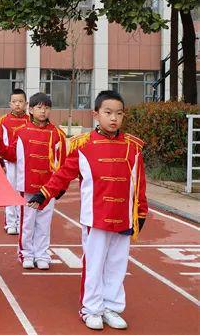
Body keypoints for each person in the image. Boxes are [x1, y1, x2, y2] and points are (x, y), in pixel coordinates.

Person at [27, 90, 148, 331]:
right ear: (96, 115)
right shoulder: (84, 146)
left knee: (117, 264)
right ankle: (91, 308)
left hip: (123, 218)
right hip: (96, 217)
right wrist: (44, 193)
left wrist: (141, 213)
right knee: (94, 264)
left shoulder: (133, 148)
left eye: (119, 114)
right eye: (108, 113)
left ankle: (112, 306)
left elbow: (139, 184)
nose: (114, 118)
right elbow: (63, 173)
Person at [0, 92, 67, 270]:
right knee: (27, 223)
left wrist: (60, 187)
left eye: (46, 107)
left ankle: (42, 254)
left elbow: (63, 162)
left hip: (48, 188)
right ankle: (26, 254)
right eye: (39, 107)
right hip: (27, 186)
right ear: (31, 109)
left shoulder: (58, 134)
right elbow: (12, 154)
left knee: (44, 224)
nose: (43, 111)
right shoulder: (21, 133)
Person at [0, 88, 30, 235]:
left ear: (26, 104)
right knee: (11, 190)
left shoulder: (31, 120)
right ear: (10, 104)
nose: (18, 105)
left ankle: (22, 221)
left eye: (20, 102)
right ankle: (11, 222)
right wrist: (1, 163)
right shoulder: (4, 121)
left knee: (24, 191)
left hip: (27, 163)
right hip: (10, 162)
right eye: (15, 102)